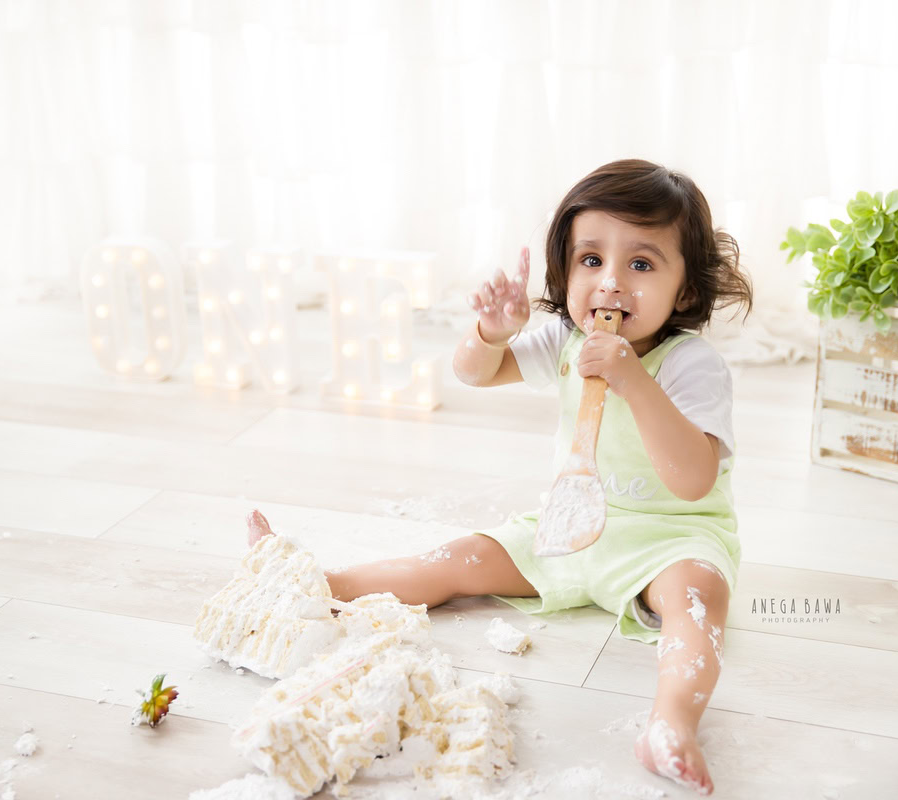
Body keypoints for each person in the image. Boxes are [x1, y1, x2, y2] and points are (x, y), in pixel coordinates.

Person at [246, 158, 752, 795]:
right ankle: (316, 584)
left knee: (698, 601)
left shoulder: (693, 365)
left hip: (668, 540)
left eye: (641, 265)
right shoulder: (568, 340)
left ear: (686, 292)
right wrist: (491, 333)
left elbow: (692, 480)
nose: (610, 283)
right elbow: (474, 372)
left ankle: (671, 724)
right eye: (591, 259)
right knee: (461, 558)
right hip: (570, 525)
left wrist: (632, 379)